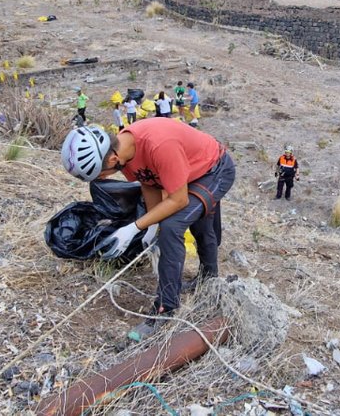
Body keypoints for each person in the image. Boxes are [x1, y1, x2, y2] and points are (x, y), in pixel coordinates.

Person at [60, 120, 236, 340]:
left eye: (100, 174)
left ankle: (165, 310)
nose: (102, 179)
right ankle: (208, 280)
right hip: (188, 171)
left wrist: (135, 227)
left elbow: (178, 200)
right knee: (195, 223)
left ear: (113, 159)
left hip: (214, 169)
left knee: (172, 226)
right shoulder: (125, 150)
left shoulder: (159, 145)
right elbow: (148, 182)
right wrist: (151, 225)